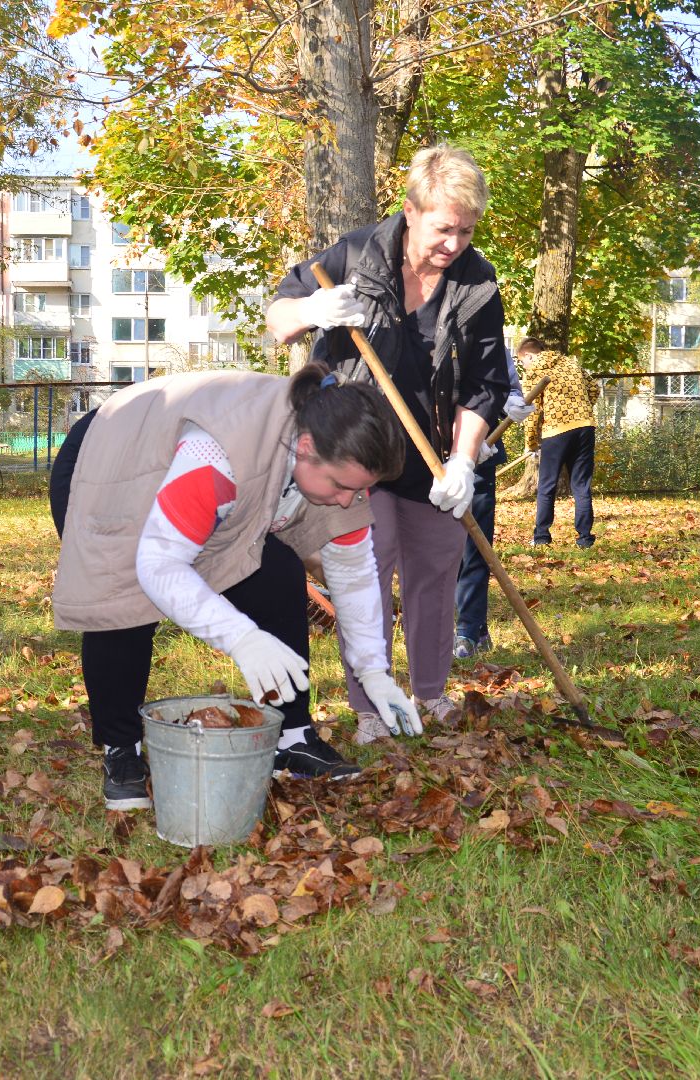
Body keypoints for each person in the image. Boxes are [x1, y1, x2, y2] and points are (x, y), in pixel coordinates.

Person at [50, 364, 422, 811]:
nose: (347, 500)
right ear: (305, 448)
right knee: (123, 601)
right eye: (342, 487)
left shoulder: (337, 456)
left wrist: (374, 670)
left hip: (205, 475)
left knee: (278, 573)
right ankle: (121, 751)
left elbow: (354, 569)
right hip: (114, 455)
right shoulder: (219, 455)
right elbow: (160, 566)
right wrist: (243, 639)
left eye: (358, 490)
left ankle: (291, 737)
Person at [266, 145, 510, 744]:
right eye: (443, 227)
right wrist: (312, 308)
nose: (454, 243)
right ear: (411, 210)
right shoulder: (354, 254)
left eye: (467, 230)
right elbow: (277, 317)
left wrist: (463, 461)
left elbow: (485, 386)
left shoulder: (476, 282)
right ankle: (370, 706)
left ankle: (429, 692)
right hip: (356, 452)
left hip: (431, 458)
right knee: (364, 576)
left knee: (435, 570)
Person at [452, 340, 535, 660]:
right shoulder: (422, 335)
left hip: (481, 459)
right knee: (446, 551)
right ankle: (469, 625)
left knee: (476, 547)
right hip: (437, 460)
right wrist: (457, 448)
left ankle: (469, 629)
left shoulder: (487, 340)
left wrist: (511, 401)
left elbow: (507, 386)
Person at [525, 344, 599, 548]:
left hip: (556, 430)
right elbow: (594, 387)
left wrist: (531, 442)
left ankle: (541, 537)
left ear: (529, 356)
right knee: (581, 485)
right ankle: (585, 539)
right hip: (585, 426)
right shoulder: (570, 363)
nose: (524, 368)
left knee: (547, 486)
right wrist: (580, 411)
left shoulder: (535, 370)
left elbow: (532, 409)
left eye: (523, 362)